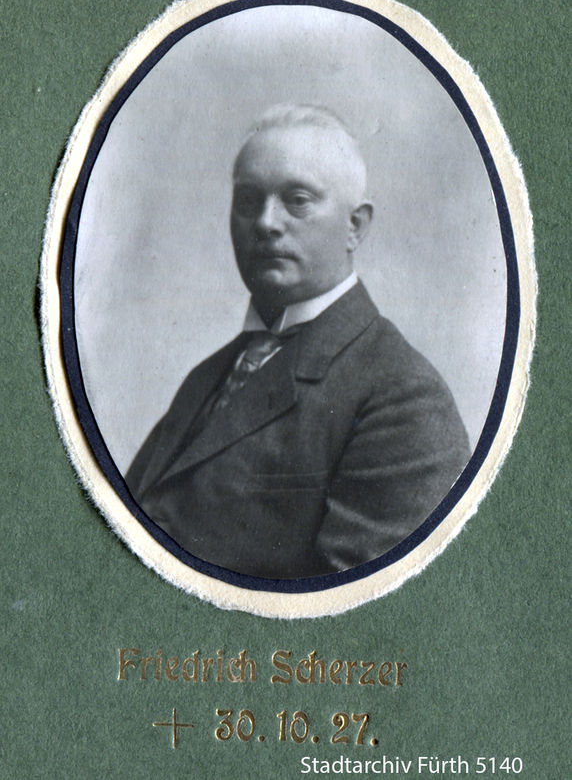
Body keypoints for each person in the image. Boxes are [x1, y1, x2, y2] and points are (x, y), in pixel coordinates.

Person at [126, 104, 470, 579]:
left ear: (355, 226)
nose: (266, 222)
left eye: (298, 199)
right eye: (249, 200)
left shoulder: (402, 397)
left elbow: (353, 607)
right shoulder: (209, 376)